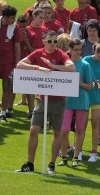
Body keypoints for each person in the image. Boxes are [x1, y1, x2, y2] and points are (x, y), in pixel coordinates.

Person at [15, 30, 75, 174]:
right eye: (50, 41)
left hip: (58, 99)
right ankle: (29, 163)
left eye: (55, 41)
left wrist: (53, 67)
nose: (52, 44)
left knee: (56, 131)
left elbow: (71, 67)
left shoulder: (61, 54)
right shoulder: (38, 53)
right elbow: (20, 65)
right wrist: (38, 67)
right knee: (34, 129)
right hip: (42, 99)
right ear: (44, 42)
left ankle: (51, 164)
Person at [60, 39, 94, 167]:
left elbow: (89, 86)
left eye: (80, 49)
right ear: (70, 49)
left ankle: (75, 157)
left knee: (79, 130)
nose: (78, 52)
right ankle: (63, 156)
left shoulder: (85, 65)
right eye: (76, 49)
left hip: (81, 100)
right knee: (64, 130)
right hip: (67, 100)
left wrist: (78, 82)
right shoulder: (65, 64)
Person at [0, 6, 21, 122]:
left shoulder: (15, 28)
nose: (14, 20)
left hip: (8, 61)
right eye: (12, 18)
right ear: (5, 17)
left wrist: (17, 63)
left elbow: (17, 46)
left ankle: (3, 112)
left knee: (6, 87)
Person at [83, 41, 100, 162]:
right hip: (84, 96)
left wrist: (98, 83)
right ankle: (78, 151)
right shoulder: (85, 60)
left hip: (98, 96)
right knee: (81, 125)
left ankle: (94, 152)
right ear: (95, 51)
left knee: (95, 123)